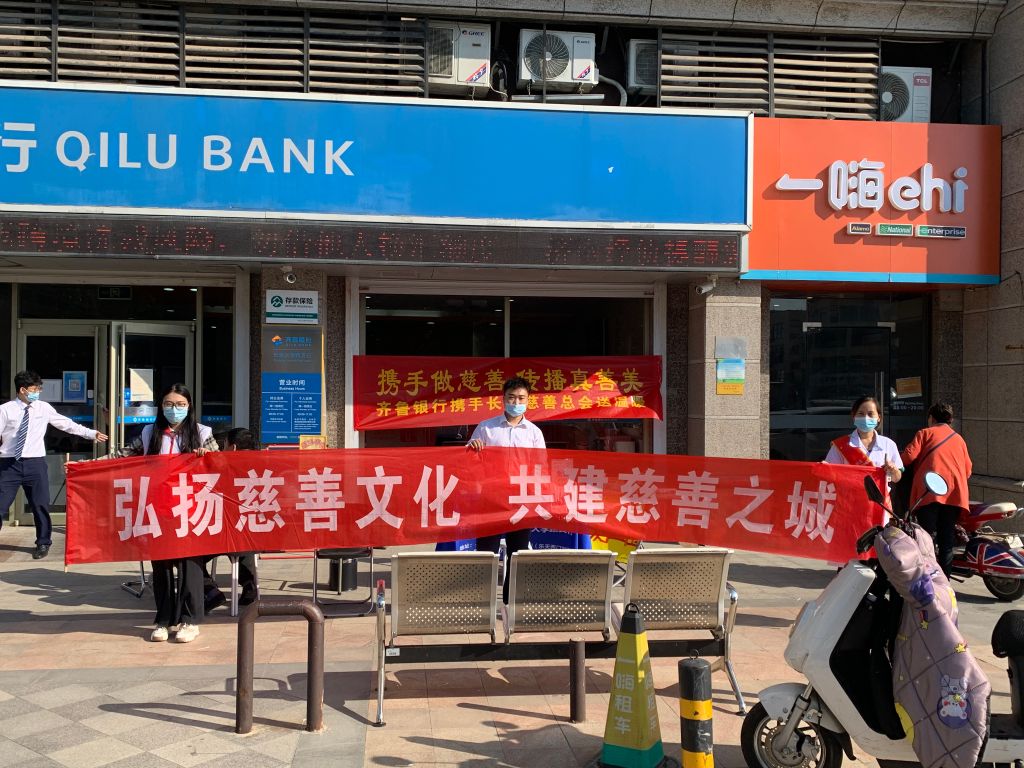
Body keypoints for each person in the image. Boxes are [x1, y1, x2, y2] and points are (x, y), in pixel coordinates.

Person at [112, 383, 217, 643]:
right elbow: (124, 455)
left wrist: (206, 455)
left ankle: (190, 620)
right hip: (158, 507)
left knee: (190, 565)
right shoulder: (150, 432)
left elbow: (219, 461)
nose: (174, 409)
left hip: (190, 507)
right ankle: (163, 620)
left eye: (180, 405)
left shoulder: (202, 432)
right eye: (169, 404)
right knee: (161, 566)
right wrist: (87, 466)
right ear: (161, 406)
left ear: (189, 406)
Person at [0, 370, 109, 559]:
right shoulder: (5, 410)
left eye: (39, 389)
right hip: (9, 464)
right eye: (35, 389)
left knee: (40, 504)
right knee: (1, 505)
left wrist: (90, 433)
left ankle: (43, 542)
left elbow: (66, 424)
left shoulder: (43, 408)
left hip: (35, 463)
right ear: (23, 390)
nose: (38, 392)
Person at [467, 376, 546, 604]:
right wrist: (472, 448)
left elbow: (541, 466)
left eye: (521, 398)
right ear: (503, 399)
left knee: (517, 552)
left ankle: (511, 603)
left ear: (528, 401)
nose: (516, 402)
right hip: (490, 499)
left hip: (521, 499)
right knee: (487, 552)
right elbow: (469, 460)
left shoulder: (534, 433)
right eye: (511, 397)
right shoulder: (486, 428)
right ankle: (483, 602)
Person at [901, 402, 972, 578]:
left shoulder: (925, 433)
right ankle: (944, 581)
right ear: (950, 420)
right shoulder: (959, 439)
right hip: (954, 496)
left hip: (929, 493)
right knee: (947, 541)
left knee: (927, 540)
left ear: (931, 418)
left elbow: (907, 457)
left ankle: (928, 579)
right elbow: (968, 470)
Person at [203, 427, 259, 610]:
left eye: (224, 445)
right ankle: (250, 587)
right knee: (243, 540)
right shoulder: (263, 465)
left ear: (233, 447)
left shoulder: (224, 467)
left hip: (220, 534)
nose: (221, 449)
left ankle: (210, 591)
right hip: (255, 534)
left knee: (188, 556)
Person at [824, 395, 903, 485]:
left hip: (879, 494)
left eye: (870, 414)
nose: (866, 418)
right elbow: (829, 475)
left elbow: (896, 478)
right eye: (861, 413)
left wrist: (893, 471)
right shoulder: (841, 445)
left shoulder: (888, 444)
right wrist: (823, 468)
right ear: (854, 416)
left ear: (879, 418)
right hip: (849, 493)